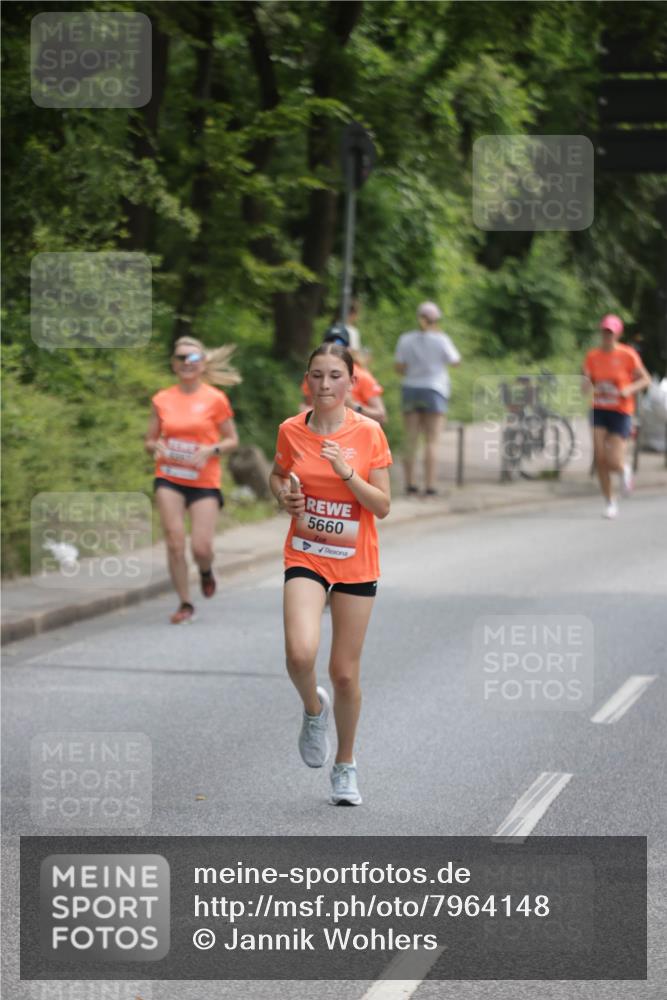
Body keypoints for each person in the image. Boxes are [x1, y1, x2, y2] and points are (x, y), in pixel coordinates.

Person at [270, 342, 392, 806]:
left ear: (351, 382)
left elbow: (381, 505)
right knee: (300, 655)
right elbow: (278, 476)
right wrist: (284, 497)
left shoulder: (369, 434)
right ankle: (312, 709)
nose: (325, 385)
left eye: (335, 376)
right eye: (317, 375)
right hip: (306, 554)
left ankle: (345, 765)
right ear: (307, 380)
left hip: (356, 563)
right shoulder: (290, 430)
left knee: (344, 673)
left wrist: (347, 475)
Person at [145, 337, 240, 623]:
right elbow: (150, 440)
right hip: (170, 476)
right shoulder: (162, 399)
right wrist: (156, 447)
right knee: (174, 541)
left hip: (204, 480)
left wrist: (210, 449)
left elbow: (232, 440)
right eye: (181, 358)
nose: (186, 363)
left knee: (201, 546)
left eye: (192, 358)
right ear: (174, 364)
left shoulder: (215, 399)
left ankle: (206, 570)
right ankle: (185, 603)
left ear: (201, 365)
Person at [582, 314, 651, 519]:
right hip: (599, 409)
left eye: (610, 332)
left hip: (621, 411)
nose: (607, 336)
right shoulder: (592, 356)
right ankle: (610, 501)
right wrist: (585, 384)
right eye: (604, 331)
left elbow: (645, 379)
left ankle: (624, 470)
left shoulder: (627, 355)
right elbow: (586, 382)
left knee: (613, 460)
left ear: (617, 334)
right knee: (600, 458)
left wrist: (628, 389)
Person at [394, 301, 461, 496]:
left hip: (411, 389)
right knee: (432, 441)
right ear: (436, 320)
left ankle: (410, 484)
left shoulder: (405, 339)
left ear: (419, 318)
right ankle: (430, 485)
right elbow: (455, 362)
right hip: (435, 390)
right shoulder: (442, 340)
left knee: (411, 439)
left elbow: (399, 367)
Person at [299, 325, 386, 424]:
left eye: (340, 344)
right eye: (329, 343)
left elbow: (381, 416)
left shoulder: (363, 376)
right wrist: (305, 411)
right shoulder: (315, 375)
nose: (324, 384)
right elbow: (308, 407)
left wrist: (354, 406)